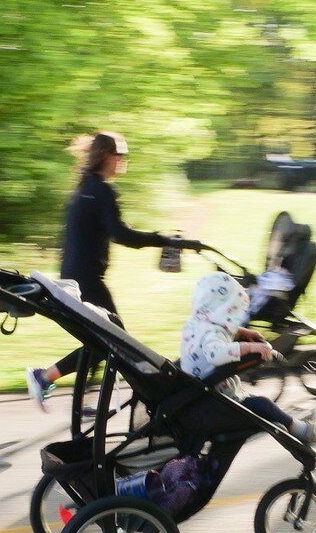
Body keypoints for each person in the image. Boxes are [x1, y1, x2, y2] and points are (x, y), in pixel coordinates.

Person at [25, 131, 194, 411]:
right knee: (115, 340)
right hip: (87, 280)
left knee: (101, 340)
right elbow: (122, 235)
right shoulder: (101, 190)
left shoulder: (85, 187)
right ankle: (45, 377)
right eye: (121, 155)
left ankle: (75, 398)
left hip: (75, 277)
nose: (124, 160)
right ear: (107, 156)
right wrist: (162, 239)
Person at [180, 271, 316, 445]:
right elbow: (215, 354)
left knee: (255, 402)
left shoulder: (196, 324)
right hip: (215, 401)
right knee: (263, 405)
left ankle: (288, 421)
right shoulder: (213, 333)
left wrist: (240, 332)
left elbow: (213, 336)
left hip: (201, 395)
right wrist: (249, 347)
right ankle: (299, 430)